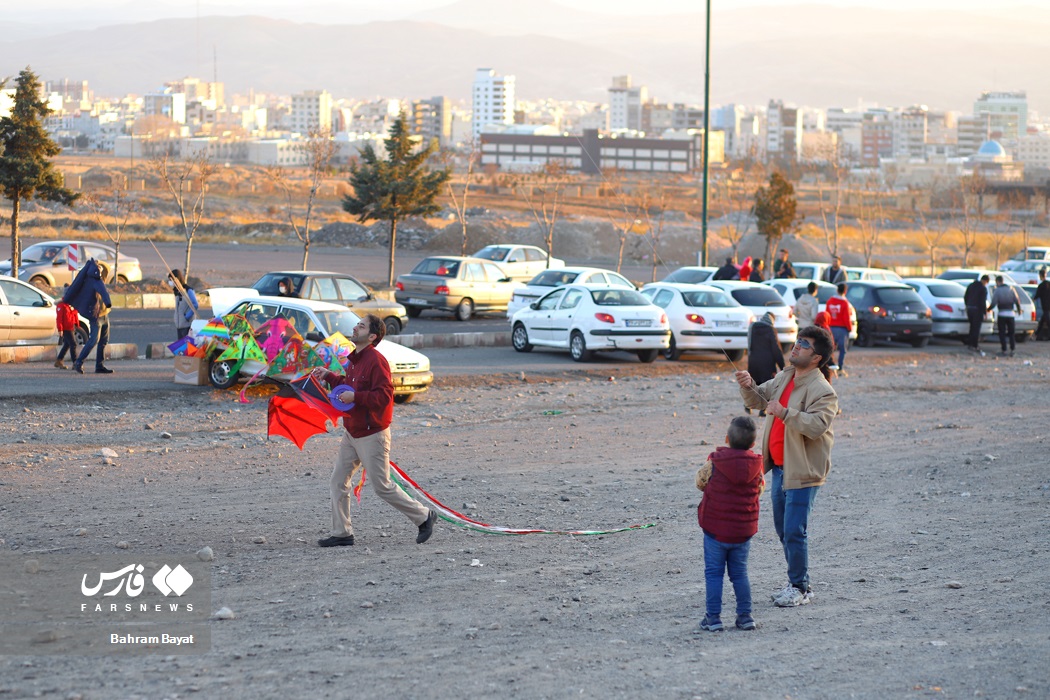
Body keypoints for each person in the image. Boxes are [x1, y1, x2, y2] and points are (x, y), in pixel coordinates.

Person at [311, 313, 436, 548]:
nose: (355, 328)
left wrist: (356, 397)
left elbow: (385, 397)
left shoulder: (377, 361)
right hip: (352, 432)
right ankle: (342, 533)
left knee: (382, 487)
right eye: (357, 324)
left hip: (372, 434)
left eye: (361, 326)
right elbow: (348, 389)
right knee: (338, 481)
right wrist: (329, 376)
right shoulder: (355, 360)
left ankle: (424, 516)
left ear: (371, 336)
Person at [735, 326, 838, 608]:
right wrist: (747, 384)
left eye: (804, 344)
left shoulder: (823, 391)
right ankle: (797, 580)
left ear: (817, 357)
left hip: (803, 470)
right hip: (780, 469)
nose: (796, 346)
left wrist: (785, 412)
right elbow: (759, 398)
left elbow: (817, 426)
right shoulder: (786, 376)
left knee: (794, 530)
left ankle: (800, 587)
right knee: (784, 530)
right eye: (797, 341)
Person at [695, 415, 765, 632]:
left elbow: (700, 482)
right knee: (740, 573)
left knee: (714, 573)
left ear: (727, 438)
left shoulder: (714, 462)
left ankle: (713, 618)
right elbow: (760, 489)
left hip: (715, 531)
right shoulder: (756, 466)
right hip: (743, 531)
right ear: (753, 444)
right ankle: (745, 616)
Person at [63, 259, 113, 375]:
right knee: (93, 340)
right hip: (96, 316)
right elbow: (103, 294)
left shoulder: (100, 278)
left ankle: (99, 366)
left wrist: (98, 262)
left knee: (103, 341)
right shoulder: (90, 282)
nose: (101, 270)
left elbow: (107, 268)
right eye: (98, 269)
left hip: (105, 314)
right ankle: (78, 362)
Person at [746, 312, 784, 416]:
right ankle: (763, 410)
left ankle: (747, 405)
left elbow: (749, 344)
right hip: (767, 362)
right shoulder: (771, 329)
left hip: (753, 360)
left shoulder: (752, 327)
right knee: (767, 386)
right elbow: (776, 349)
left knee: (754, 384)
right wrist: (782, 366)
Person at [988, 275, 1021, 358]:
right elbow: (1017, 301)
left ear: (998, 282)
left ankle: (1004, 349)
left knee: (1002, 333)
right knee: (1011, 333)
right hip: (1011, 314)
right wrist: (1019, 310)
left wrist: (988, 309)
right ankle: (1012, 349)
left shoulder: (997, 290)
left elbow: (994, 303)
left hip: (1002, 314)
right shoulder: (1011, 289)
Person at [825, 283, 853, 376]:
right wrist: (849, 328)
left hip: (831, 327)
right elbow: (846, 318)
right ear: (845, 291)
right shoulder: (845, 303)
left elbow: (827, 315)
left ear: (837, 290)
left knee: (830, 348)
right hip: (842, 329)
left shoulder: (830, 301)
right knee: (842, 349)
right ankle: (840, 368)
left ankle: (828, 365)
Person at [168, 269, 199, 340]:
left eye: (171, 280)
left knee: (187, 348)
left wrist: (186, 317)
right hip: (179, 325)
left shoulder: (188, 291)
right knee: (181, 348)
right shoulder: (177, 292)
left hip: (187, 325)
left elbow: (195, 305)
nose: (170, 282)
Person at [963, 275, 990, 353]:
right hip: (977, 310)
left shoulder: (971, 286)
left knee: (971, 327)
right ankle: (975, 345)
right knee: (976, 328)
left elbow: (965, 297)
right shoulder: (982, 288)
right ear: (985, 281)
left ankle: (970, 344)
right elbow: (982, 302)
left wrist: (967, 305)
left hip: (970, 309)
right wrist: (985, 312)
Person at [54, 298, 79, 370]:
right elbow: (59, 319)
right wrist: (60, 329)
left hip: (71, 327)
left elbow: (74, 314)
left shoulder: (70, 305)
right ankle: (75, 362)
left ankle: (59, 360)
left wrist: (77, 324)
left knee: (67, 344)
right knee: (73, 344)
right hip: (66, 328)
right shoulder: (61, 306)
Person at [1034, 267, 1050, 341]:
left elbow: (1036, 296)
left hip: (1045, 306)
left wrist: (1032, 301)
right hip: (1047, 307)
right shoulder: (1048, 284)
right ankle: (1037, 334)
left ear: (1040, 276)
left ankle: (1037, 334)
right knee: (1043, 320)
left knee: (1047, 321)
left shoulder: (1041, 286)